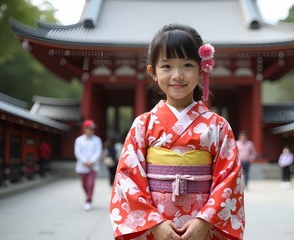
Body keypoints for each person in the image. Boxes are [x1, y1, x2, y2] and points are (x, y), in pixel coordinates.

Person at [109, 24, 245, 240]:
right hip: (157, 227)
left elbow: (229, 178)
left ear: (202, 69)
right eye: (166, 66)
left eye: (187, 65)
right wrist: (154, 223)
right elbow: (127, 178)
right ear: (152, 72)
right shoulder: (142, 125)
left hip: (202, 227)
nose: (178, 75)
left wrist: (205, 220)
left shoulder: (218, 126)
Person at [74, 119, 102, 211]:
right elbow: (78, 152)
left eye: (93, 129)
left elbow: (98, 151)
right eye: (90, 128)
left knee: (90, 184)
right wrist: (86, 161)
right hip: (82, 166)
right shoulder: (79, 140)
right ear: (85, 129)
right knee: (84, 185)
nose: (92, 130)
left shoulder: (97, 140)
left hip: (93, 166)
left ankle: (88, 201)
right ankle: (88, 196)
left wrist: (92, 161)